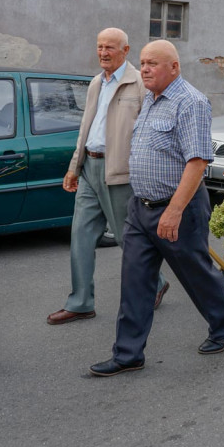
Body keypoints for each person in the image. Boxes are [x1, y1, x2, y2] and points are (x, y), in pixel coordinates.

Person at [89, 40, 224, 377]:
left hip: (178, 208)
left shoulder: (191, 102)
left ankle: (223, 324)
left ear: (174, 67)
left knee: (195, 273)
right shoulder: (151, 100)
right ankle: (128, 354)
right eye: (142, 63)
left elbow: (197, 162)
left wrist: (174, 211)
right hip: (140, 208)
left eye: (152, 63)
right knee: (135, 282)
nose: (144, 69)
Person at [48, 28, 169, 326]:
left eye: (110, 48)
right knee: (80, 236)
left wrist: (141, 171)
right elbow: (86, 128)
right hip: (90, 168)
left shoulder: (139, 83)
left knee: (127, 238)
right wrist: (74, 166)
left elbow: (149, 132)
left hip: (120, 172)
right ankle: (80, 303)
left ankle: (156, 283)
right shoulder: (95, 83)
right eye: (100, 46)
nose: (103, 52)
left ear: (125, 51)